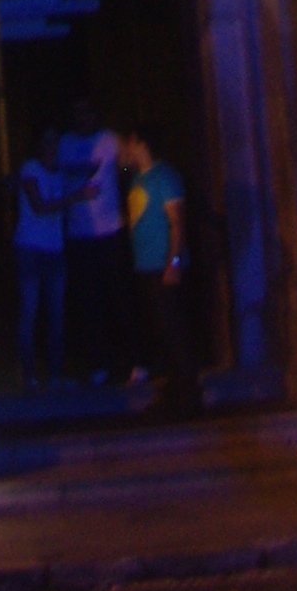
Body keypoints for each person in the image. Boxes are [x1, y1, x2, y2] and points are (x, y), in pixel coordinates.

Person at [119, 128, 196, 409]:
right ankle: (174, 386)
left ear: (139, 142)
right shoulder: (138, 178)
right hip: (145, 265)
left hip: (163, 264)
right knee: (160, 329)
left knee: (173, 328)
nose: (125, 149)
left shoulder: (165, 177)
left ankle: (188, 392)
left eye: (128, 142)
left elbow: (178, 222)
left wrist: (173, 262)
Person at [59, 96, 132, 385]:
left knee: (120, 298)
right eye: (78, 113)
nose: (83, 118)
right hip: (79, 234)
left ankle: (131, 362)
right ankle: (97, 364)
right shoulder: (64, 143)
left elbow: (126, 171)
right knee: (90, 302)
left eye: (88, 112)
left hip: (111, 228)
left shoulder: (110, 141)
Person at [13, 126, 68, 392]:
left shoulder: (59, 172)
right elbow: (40, 206)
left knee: (56, 314)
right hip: (30, 250)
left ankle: (55, 375)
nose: (51, 147)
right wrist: (77, 197)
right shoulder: (30, 169)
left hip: (55, 250)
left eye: (55, 142)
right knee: (30, 311)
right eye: (47, 142)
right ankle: (29, 375)